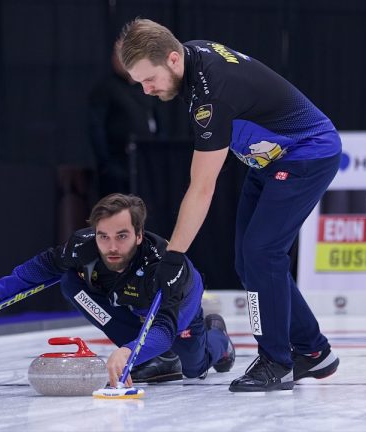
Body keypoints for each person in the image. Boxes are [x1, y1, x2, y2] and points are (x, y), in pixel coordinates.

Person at [118, 19, 340, 392]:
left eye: (148, 79)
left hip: (307, 153)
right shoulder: (191, 53)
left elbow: (202, 188)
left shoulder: (211, 96)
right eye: (139, 82)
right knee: (249, 259)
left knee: (261, 253)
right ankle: (314, 352)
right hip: (269, 159)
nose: (146, 90)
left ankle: (277, 362)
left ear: (172, 59)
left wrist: (173, 258)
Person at [0, 193, 235, 385]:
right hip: (129, 301)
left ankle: (218, 339)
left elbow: (164, 329)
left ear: (139, 235)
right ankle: (151, 357)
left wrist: (128, 351)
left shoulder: (162, 266)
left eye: (122, 236)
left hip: (180, 301)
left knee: (194, 366)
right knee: (70, 281)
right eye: (103, 236)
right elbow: (40, 268)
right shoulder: (83, 246)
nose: (112, 247)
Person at [88, 41, 162, 197]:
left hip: (145, 163)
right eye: (117, 54)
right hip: (118, 165)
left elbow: (156, 121)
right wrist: (106, 162)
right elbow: (96, 127)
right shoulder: (106, 88)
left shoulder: (145, 87)